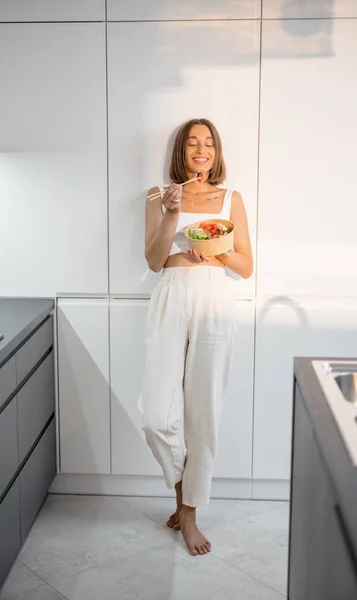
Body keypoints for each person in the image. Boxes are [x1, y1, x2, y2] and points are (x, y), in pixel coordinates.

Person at [138, 118, 253, 556]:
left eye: (208, 143)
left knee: (203, 412)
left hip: (214, 297)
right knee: (155, 416)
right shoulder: (158, 195)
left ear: (216, 151)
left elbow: (245, 265)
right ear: (181, 152)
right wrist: (171, 212)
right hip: (171, 293)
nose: (200, 149)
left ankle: (188, 512)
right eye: (192, 143)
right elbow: (153, 259)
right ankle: (184, 488)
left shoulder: (230, 199)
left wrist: (219, 250)